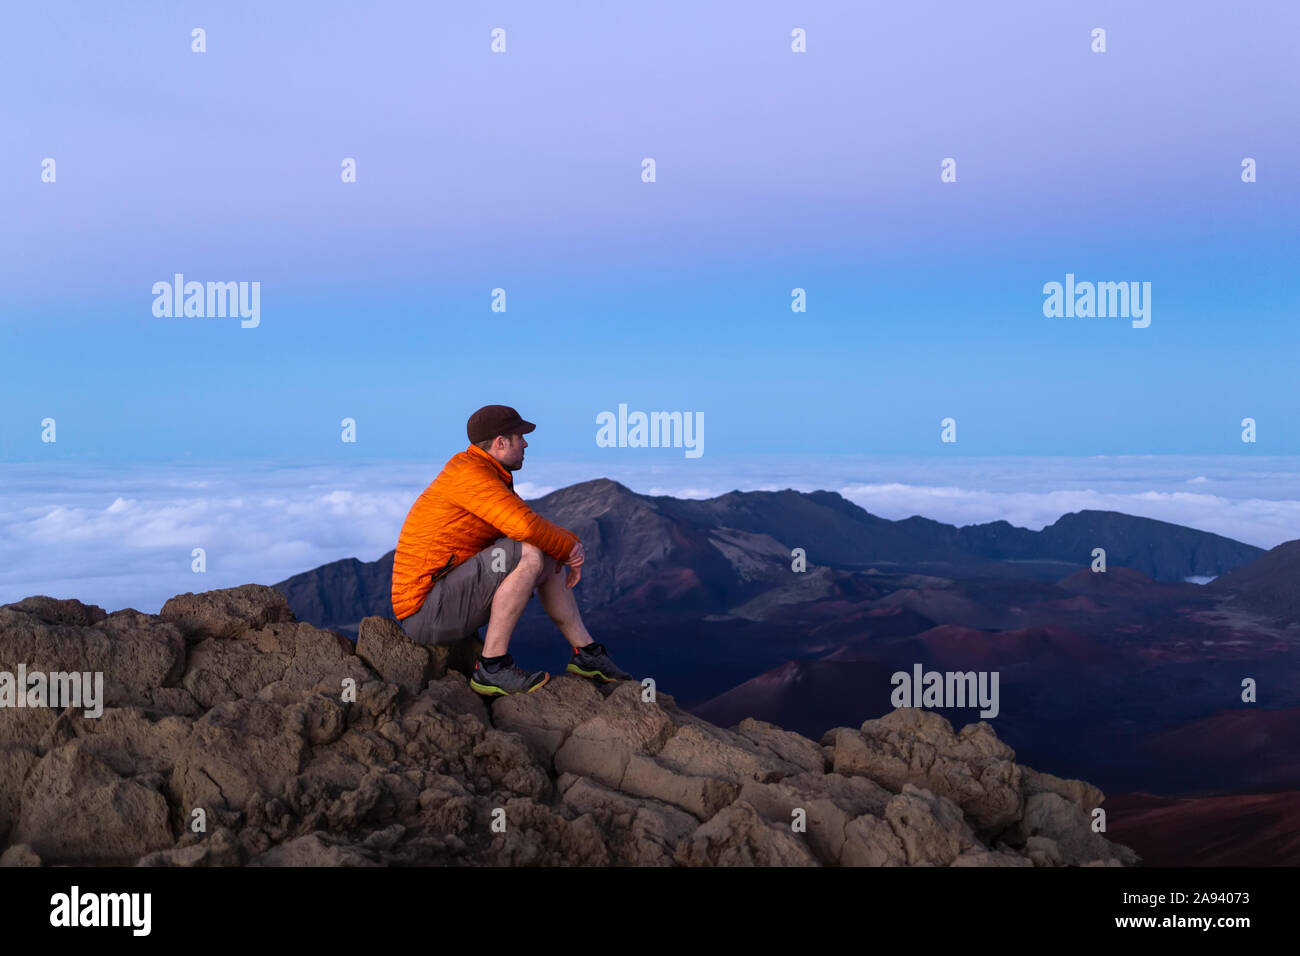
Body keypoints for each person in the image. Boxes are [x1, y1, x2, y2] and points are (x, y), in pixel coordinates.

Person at [391, 404, 633, 696]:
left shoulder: (481, 472)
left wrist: (566, 547)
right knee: (531, 549)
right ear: (500, 442)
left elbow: (528, 521)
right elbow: (525, 528)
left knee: (544, 551)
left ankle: (587, 654)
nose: (526, 443)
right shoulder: (470, 475)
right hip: (426, 612)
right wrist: (570, 548)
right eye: (520, 437)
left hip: (443, 600)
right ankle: (492, 667)